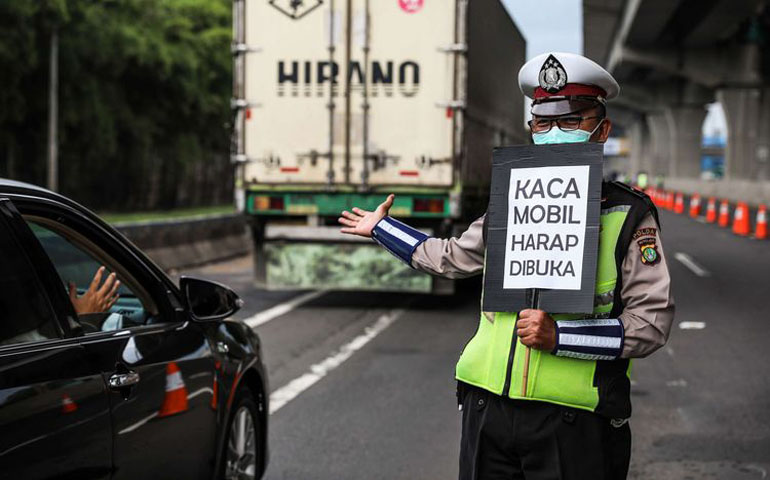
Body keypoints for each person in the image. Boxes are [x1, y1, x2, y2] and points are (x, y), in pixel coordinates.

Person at [338, 52, 674, 479]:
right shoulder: (512, 202)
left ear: (602, 129)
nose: (554, 133)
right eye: (543, 122)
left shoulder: (627, 215)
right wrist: (382, 228)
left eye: (570, 121)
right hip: (487, 409)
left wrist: (561, 336)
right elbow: (452, 257)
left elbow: (651, 323)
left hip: (574, 424)